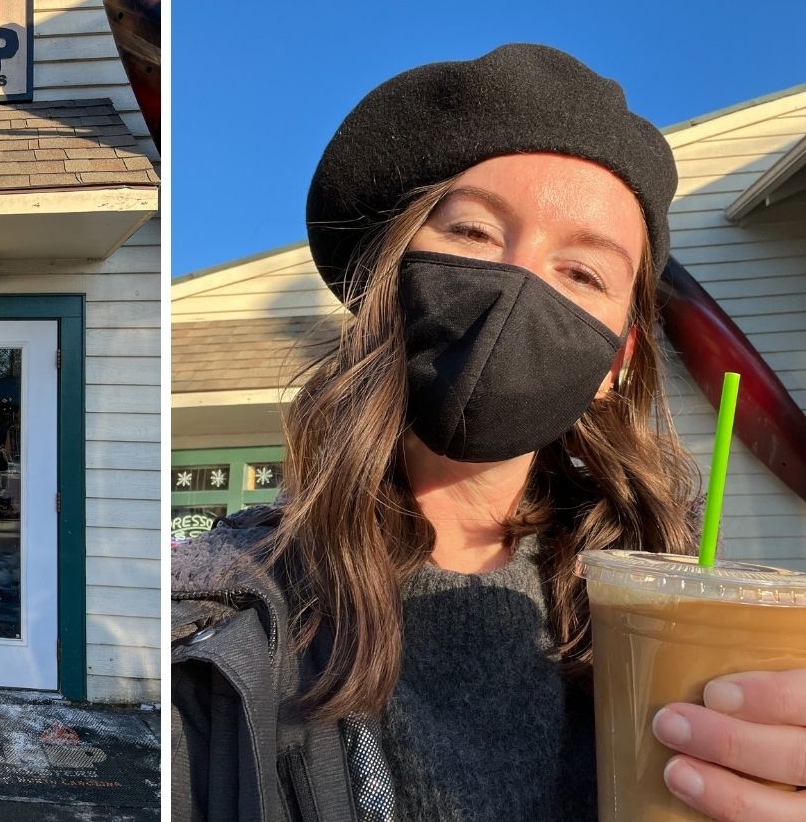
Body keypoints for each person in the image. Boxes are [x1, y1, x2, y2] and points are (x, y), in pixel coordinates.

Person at [171, 44, 806, 822]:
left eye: (583, 273)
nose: (520, 288)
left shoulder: (665, 624)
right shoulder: (214, 629)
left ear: (617, 361)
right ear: (389, 276)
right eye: (473, 233)